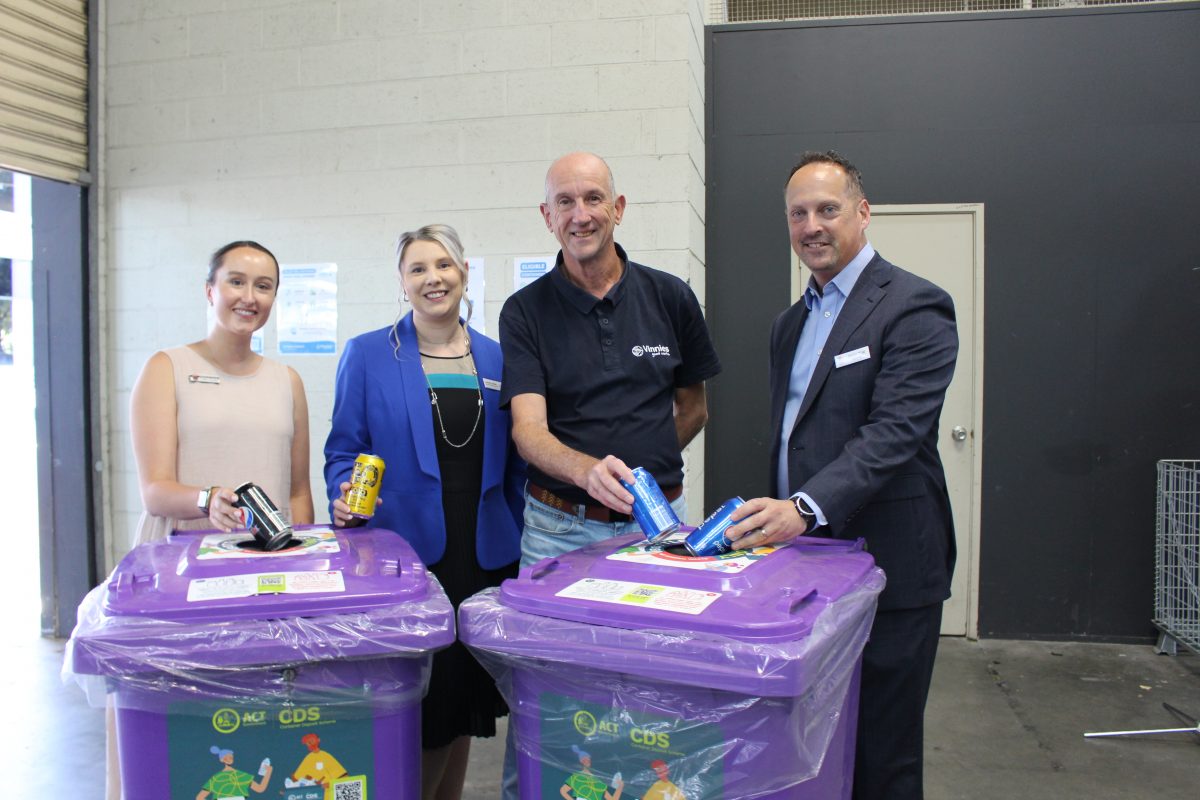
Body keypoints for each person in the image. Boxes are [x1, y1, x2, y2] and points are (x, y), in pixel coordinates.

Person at [724, 151, 957, 800]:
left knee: (882, 755)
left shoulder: (915, 306)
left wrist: (801, 505)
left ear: (863, 211)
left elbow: (895, 434)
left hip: (892, 569)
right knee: (812, 745)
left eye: (827, 209)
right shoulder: (788, 324)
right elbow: (790, 439)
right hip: (806, 570)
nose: (811, 226)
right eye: (797, 214)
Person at [323, 224, 524, 800]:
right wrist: (343, 492)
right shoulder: (367, 355)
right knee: (420, 711)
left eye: (443, 265)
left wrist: (510, 533)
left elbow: (513, 465)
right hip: (404, 557)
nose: (432, 278)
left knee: (460, 709)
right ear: (402, 282)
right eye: (418, 268)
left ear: (464, 274)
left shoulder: (495, 355)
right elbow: (344, 449)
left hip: (481, 554)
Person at [119, 240, 314, 800]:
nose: (248, 297)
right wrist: (208, 499)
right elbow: (155, 490)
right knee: (190, 724)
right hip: (184, 575)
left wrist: (308, 576)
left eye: (263, 286)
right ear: (210, 290)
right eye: (235, 281)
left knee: (267, 719)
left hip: (269, 578)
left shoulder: (287, 380)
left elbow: (298, 492)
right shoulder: (168, 368)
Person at [499, 151, 722, 565]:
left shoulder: (671, 297)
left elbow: (695, 410)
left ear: (618, 209)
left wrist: (639, 477)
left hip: (659, 524)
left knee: (657, 631)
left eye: (593, 198)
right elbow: (527, 431)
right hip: (558, 531)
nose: (580, 215)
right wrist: (588, 472)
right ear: (548, 216)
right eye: (565, 202)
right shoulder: (523, 311)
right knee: (552, 633)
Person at [196, 747, 273, 799]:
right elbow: (200, 797)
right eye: (227, 757)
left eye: (231, 757)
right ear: (221, 760)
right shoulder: (216, 778)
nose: (230, 759)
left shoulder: (242, 775)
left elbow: (260, 788)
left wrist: (268, 772)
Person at [289, 733, 347, 800]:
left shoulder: (325, 756)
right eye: (307, 742)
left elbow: (344, 777)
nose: (310, 743)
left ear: (318, 740)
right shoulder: (308, 758)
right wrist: (290, 791)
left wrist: (328, 785)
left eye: (311, 740)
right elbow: (296, 780)